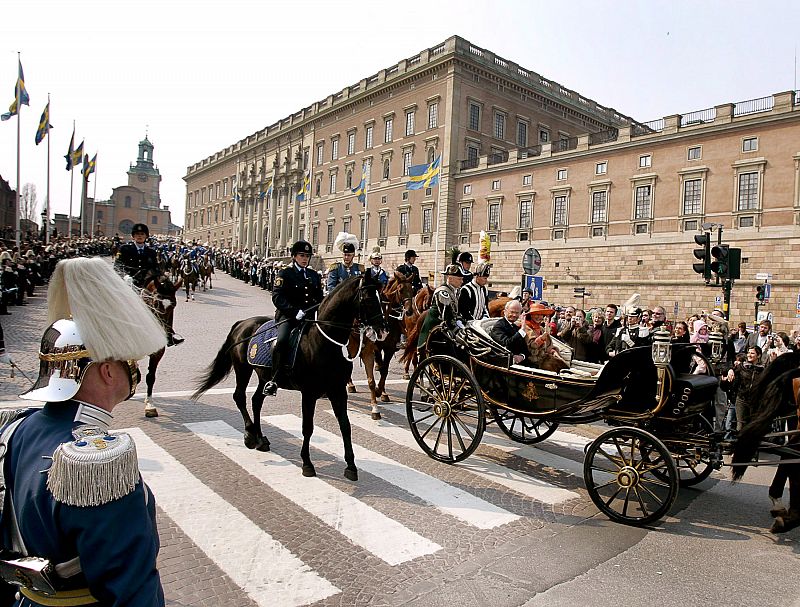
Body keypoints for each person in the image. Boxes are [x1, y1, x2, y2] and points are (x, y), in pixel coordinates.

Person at [0, 257, 167, 606]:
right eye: (127, 362)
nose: (132, 370)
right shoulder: (97, 460)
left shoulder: (16, 426)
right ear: (107, 371)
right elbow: (132, 588)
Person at [264, 240, 324, 396]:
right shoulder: (285, 274)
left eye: (307, 256)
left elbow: (319, 298)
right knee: (282, 340)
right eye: (302, 255)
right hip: (288, 316)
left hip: (309, 317)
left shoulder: (313, 275)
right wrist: (294, 311)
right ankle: (275, 379)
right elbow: (277, 297)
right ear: (294, 256)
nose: (305, 259)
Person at [416, 263, 463, 351]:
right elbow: (446, 314)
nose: (462, 281)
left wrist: (461, 320)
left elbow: (455, 311)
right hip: (435, 325)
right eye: (459, 279)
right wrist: (457, 328)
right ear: (450, 278)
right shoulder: (443, 292)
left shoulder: (455, 291)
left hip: (447, 323)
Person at [114, 223, 159, 288]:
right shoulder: (124, 249)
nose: (139, 236)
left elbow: (155, 268)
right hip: (127, 283)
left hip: (145, 286)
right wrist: (124, 276)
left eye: (142, 234)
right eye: (137, 234)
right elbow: (117, 266)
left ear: (146, 236)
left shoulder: (151, 252)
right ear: (133, 236)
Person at [489, 299, 529, 365]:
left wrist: (522, 356)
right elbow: (506, 344)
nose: (514, 315)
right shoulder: (499, 326)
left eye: (517, 313)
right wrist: (522, 330)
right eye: (512, 312)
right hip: (505, 364)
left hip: (521, 363)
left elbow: (525, 349)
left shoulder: (515, 327)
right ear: (505, 312)